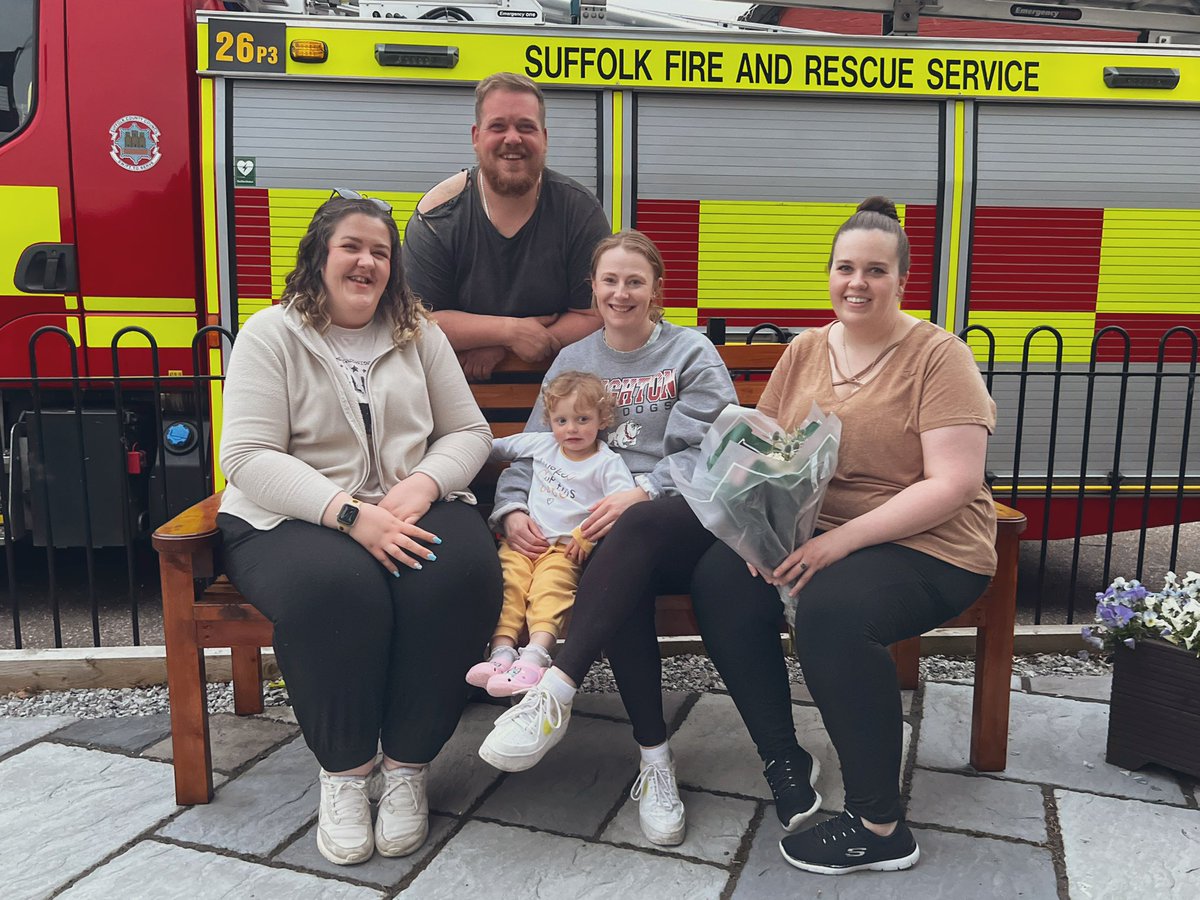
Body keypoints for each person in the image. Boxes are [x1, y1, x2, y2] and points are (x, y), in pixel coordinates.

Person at [690, 197, 998, 875]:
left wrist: (840, 542)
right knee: (720, 578)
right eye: (845, 268)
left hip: (931, 544)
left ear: (902, 280)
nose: (856, 282)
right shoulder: (804, 349)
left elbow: (952, 482)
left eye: (875, 270)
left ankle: (880, 825)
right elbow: (763, 448)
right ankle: (786, 759)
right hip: (815, 532)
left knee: (831, 612)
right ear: (829, 274)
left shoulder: (937, 356)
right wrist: (753, 531)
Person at [216, 190, 502, 867]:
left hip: (408, 503)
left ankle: (406, 767)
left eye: (380, 251)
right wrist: (349, 515)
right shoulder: (271, 332)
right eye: (352, 246)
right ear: (319, 256)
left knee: (458, 577)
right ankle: (345, 774)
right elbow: (247, 456)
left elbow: (469, 431)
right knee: (338, 589)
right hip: (293, 514)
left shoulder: (417, 331)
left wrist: (424, 484)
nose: (367, 262)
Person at [476, 230, 739, 848]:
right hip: (594, 545)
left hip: (677, 524)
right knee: (611, 569)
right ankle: (655, 762)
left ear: (657, 290)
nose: (621, 293)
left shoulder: (691, 353)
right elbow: (537, 449)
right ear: (592, 289)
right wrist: (511, 509)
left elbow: (719, 450)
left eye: (635, 281)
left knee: (633, 530)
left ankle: (554, 693)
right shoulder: (573, 362)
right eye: (610, 281)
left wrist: (642, 492)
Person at [403, 72, 610, 381]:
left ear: (544, 138)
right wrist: (508, 332)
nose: (512, 138)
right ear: (476, 137)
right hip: (456, 397)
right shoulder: (438, 216)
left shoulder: (579, 211)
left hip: (563, 404)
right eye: (498, 126)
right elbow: (415, 321)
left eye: (525, 127)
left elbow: (594, 315)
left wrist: (501, 348)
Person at [466, 371, 635, 696]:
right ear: (550, 421)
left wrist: (587, 537)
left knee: (549, 592)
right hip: (522, 543)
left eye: (582, 419)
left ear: (602, 419)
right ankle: (501, 654)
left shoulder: (606, 463)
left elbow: (621, 506)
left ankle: (535, 657)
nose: (571, 429)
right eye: (561, 420)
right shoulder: (543, 445)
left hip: (564, 548)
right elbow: (495, 449)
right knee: (508, 587)